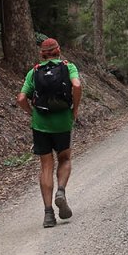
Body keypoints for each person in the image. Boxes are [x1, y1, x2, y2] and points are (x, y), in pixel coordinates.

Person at [17, 37, 82, 228]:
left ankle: (48, 214)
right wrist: (75, 110)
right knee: (65, 159)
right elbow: (77, 86)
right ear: (58, 50)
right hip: (62, 123)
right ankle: (60, 191)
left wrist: (32, 113)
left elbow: (21, 98)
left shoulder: (34, 72)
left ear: (42, 54)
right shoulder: (68, 67)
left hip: (40, 125)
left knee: (46, 166)